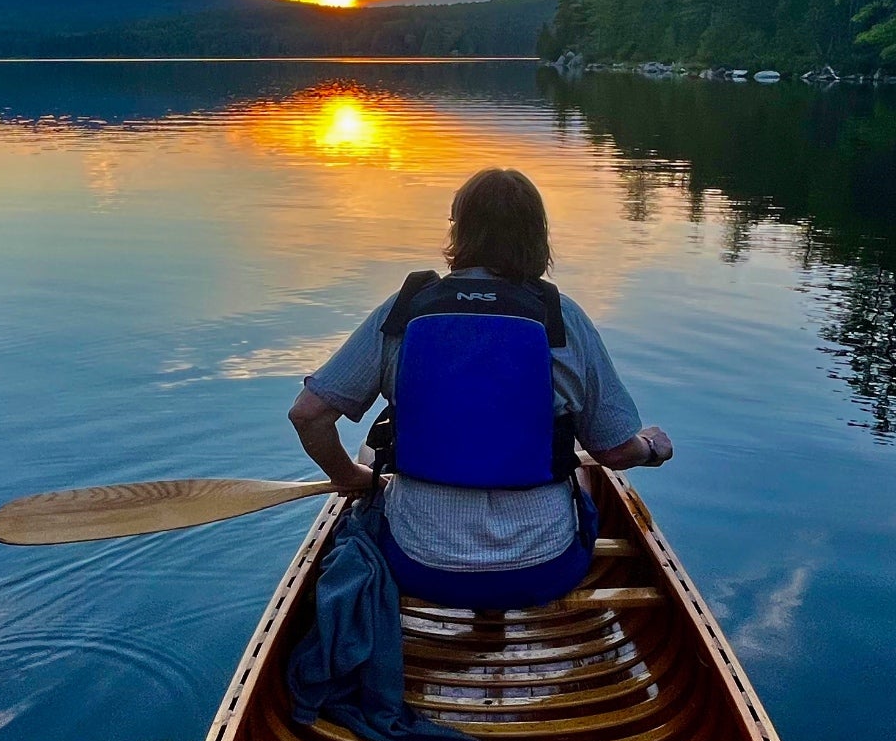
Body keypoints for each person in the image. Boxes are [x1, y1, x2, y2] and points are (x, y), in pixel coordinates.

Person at [288, 167, 672, 610]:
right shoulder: (564, 319)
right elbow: (614, 452)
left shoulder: (404, 311)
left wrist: (349, 479)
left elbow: (309, 414)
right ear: (537, 238)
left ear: (459, 232)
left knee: (369, 456)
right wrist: (651, 448)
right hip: (544, 570)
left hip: (416, 564)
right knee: (582, 470)